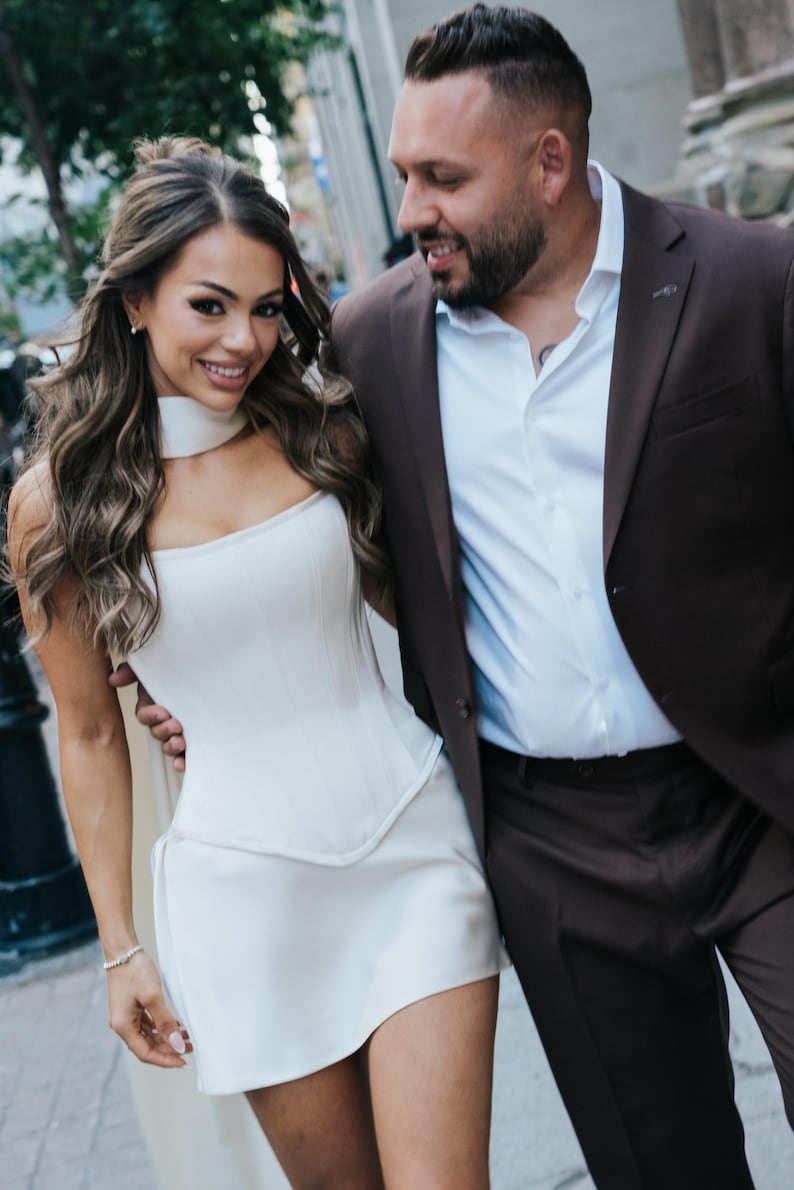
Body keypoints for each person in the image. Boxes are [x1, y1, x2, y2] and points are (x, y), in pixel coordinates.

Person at [129, 6, 794, 1188]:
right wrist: (195, 680)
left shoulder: (751, 282)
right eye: (400, 174)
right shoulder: (376, 343)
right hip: (550, 841)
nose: (410, 211)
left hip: (760, 794)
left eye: (441, 178)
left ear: (549, 164)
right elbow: (262, 510)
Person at [6, 136, 508, 1190]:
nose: (245, 338)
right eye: (209, 305)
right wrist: (119, 945)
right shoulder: (59, 503)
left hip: (412, 847)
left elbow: (429, 608)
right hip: (244, 902)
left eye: (269, 307)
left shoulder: (324, 431)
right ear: (136, 298)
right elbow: (92, 732)